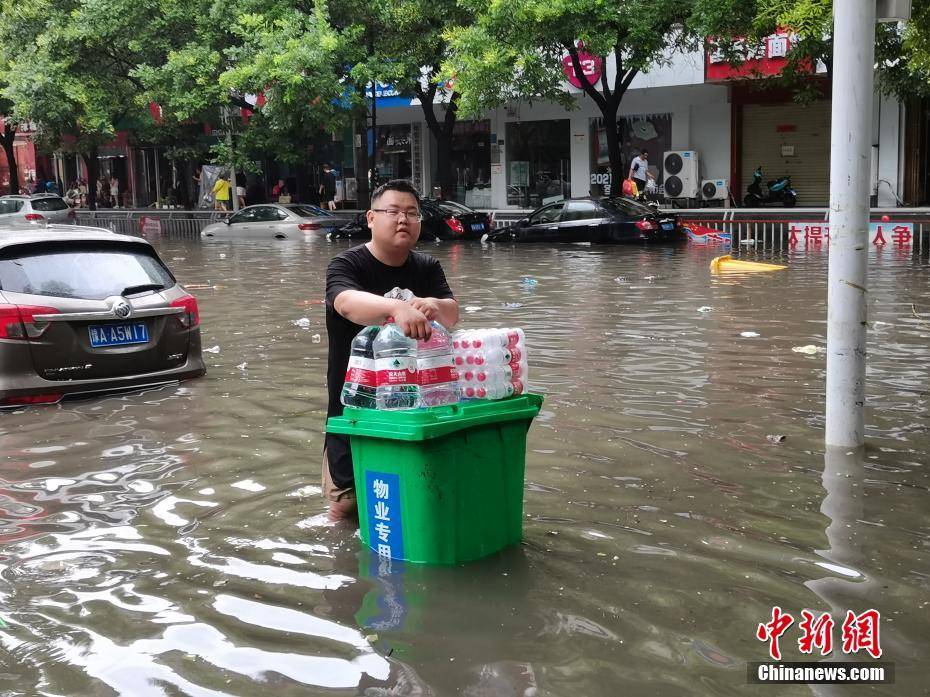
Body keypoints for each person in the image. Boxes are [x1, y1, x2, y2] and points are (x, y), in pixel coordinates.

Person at [323, 179, 459, 521]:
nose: (403, 219)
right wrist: (395, 308)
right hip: (354, 406)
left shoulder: (426, 266)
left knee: (414, 495)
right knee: (346, 505)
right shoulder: (346, 264)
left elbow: (452, 313)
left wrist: (431, 305)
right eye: (393, 211)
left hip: (417, 406)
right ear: (371, 218)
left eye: (412, 213)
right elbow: (346, 303)